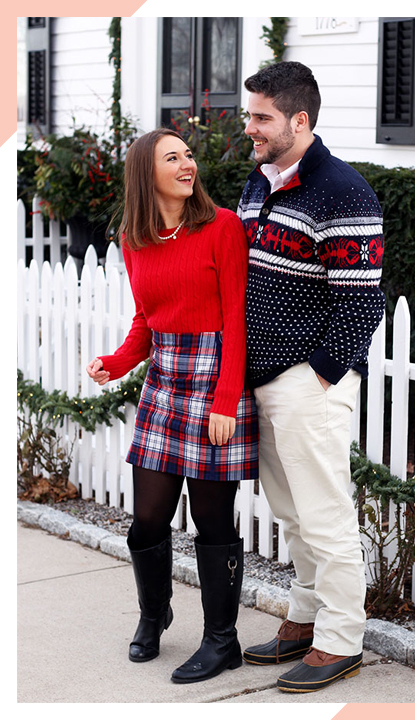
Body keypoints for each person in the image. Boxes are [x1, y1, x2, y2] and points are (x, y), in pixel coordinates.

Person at [86, 127, 258, 684]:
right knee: (148, 519)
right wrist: (114, 362)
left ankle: (221, 640)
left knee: (212, 520)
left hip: (215, 382)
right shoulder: (134, 242)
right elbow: (147, 320)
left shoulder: (222, 228)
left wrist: (226, 399)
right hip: (164, 381)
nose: (188, 165)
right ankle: (154, 615)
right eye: (172, 158)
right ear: (146, 172)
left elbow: (237, 319)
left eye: (189, 156)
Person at [237, 61, 386, 693]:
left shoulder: (344, 190)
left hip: (307, 383)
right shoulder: (259, 180)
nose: (250, 128)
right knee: (290, 514)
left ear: (300, 119)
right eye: (250, 115)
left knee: (324, 514)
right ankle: (302, 620)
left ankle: (342, 638)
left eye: (261, 117)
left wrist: (321, 375)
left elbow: (363, 299)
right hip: (261, 377)